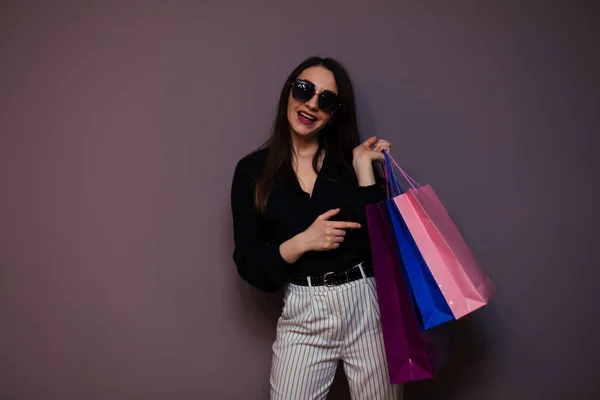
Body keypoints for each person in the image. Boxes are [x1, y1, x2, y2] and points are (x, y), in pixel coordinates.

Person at [230, 56, 402, 399]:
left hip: (367, 305)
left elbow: (381, 246)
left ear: (335, 113)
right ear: (289, 93)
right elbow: (250, 265)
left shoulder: (348, 164)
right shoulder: (251, 172)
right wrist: (302, 242)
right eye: (304, 90)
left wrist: (364, 169)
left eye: (326, 99)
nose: (311, 104)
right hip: (304, 312)